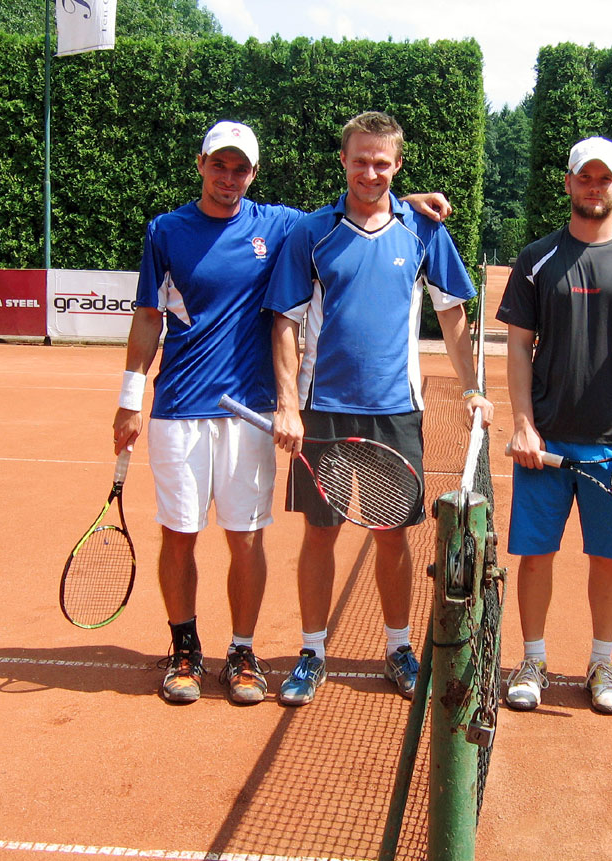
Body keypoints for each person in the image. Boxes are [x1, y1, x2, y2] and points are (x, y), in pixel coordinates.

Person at [113, 120, 450, 706]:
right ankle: (185, 648)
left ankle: (242, 652)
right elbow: (148, 318)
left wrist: (406, 199)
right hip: (178, 408)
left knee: (246, 539)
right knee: (180, 535)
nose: (229, 177)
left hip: (252, 410)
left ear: (254, 173)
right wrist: (128, 399)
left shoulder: (281, 224)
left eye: (240, 168)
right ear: (201, 164)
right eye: (219, 165)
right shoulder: (165, 230)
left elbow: (359, 206)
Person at [264, 111, 493, 707]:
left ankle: (397, 648)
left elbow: (452, 313)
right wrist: (288, 405)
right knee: (321, 532)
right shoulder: (311, 233)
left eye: (382, 163)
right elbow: (285, 323)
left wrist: (471, 389)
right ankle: (312, 652)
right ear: (343, 161)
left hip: (396, 412)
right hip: (323, 409)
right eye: (360, 161)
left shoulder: (423, 232)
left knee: (393, 535)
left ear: (398, 165)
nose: (371, 173)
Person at [496, 136, 612, 715]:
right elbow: (518, 346)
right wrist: (523, 424)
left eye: (604, 178)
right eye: (585, 177)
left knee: (608, 558)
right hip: (545, 442)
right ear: (569, 182)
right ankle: (532, 661)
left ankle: (602, 663)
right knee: (536, 556)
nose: (594, 186)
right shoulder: (537, 258)